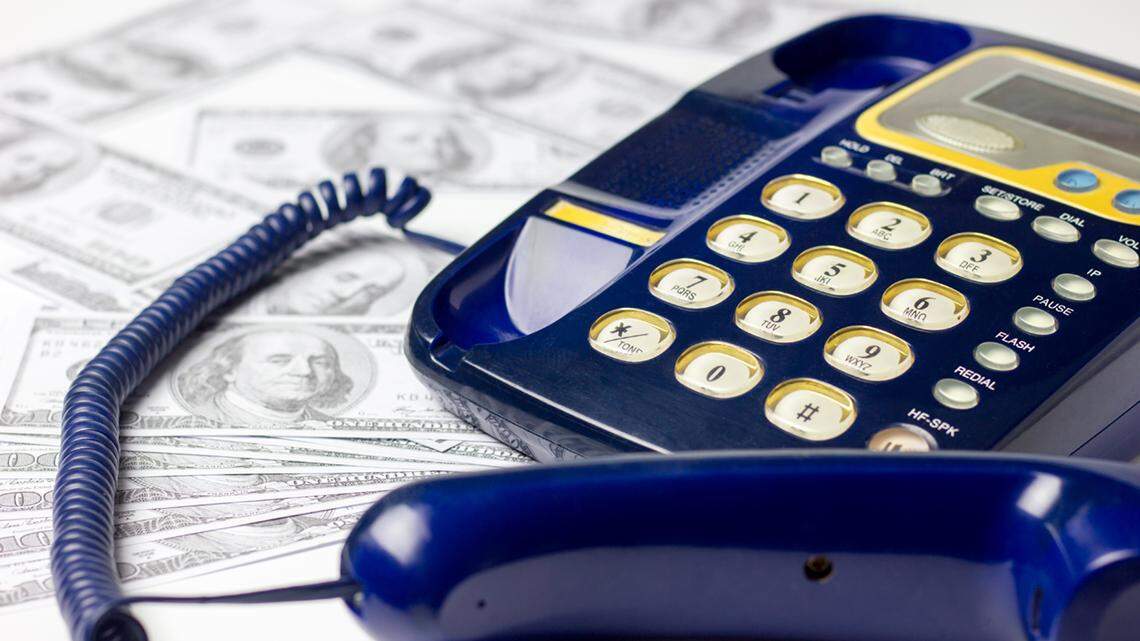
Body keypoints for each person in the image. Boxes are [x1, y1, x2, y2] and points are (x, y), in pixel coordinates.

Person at [175, 328, 355, 425]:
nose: (305, 371)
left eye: (321, 363)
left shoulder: (332, 427)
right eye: (279, 360)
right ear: (230, 369)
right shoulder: (194, 422)